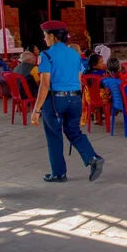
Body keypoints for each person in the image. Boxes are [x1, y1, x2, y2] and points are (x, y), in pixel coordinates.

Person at [30, 21, 104, 183]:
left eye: (45, 36)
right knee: (73, 132)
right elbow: (78, 80)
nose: (44, 39)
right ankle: (93, 157)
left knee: (54, 135)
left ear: (52, 36)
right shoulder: (74, 54)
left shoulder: (46, 55)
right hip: (75, 98)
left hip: (56, 101)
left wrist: (36, 110)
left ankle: (58, 173)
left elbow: (45, 84)